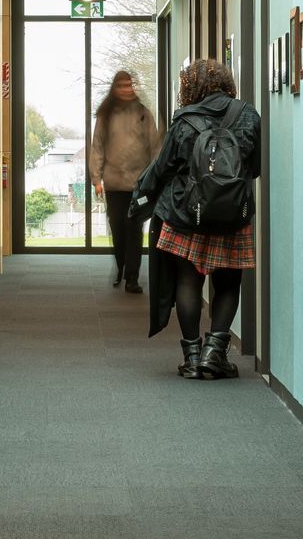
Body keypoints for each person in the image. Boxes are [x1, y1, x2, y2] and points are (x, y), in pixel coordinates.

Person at [130, 58, 261, 380]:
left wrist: (141, 199)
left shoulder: (184, 121)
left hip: (186, 213)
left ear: (189, 87)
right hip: (232, 214)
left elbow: (162, 168)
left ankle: (191, 356)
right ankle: (214, 355)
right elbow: (254, 168)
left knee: (188, 281)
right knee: (229, 282)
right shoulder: (248, 114)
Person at [89, 69, 160, 294]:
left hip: (138, 185)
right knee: (117, 229)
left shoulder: (143, 114)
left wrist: (154, 178)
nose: (127, 90)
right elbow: (97, 146)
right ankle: (121, 266)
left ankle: (132, 278)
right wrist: (96, 178)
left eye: (129, 85)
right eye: (122, 86)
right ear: (115, 88)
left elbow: (155, 147)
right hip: (113, 182)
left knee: (134, 228)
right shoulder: (105, 115)